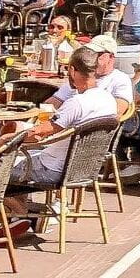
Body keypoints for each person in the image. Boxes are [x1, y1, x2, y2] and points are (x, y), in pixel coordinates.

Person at [14, 47, 121, 190]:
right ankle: (19, 207)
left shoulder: (76, 103)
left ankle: (16, 208)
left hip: (52, 170)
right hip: (82, 169)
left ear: (72, 70)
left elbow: (38, 134)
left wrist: (6, 139)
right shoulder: (109, 100)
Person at [50, 33, 136, 115]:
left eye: (97, 54)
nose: (91, 56)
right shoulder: (81, 74)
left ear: (111, 57)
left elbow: (117, 111)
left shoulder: (120, 79)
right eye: (89, 52)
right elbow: (54, 102)